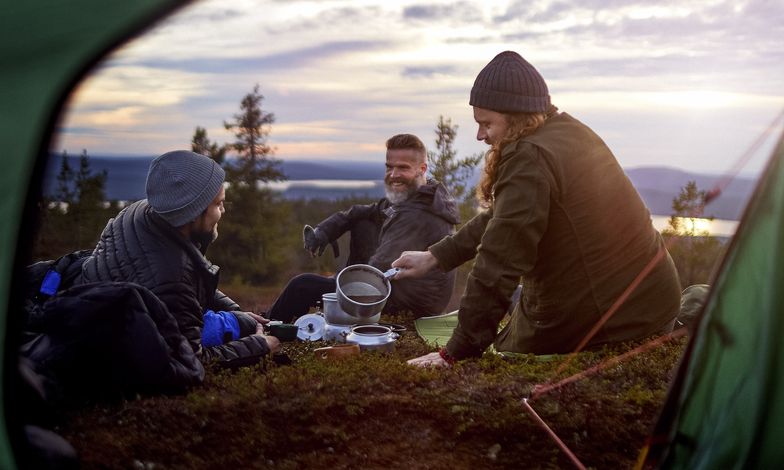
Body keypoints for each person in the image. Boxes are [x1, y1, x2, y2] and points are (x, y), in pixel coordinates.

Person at [393, 51, 682, 367]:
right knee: (519, 306)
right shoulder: (568, 131)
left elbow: (499, 260)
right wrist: (436, 257)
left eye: (486, 123)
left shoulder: (529, 158)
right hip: (652, 299)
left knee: (517, 335)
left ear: (515, 117)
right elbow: (505, 215)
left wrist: (456, 352)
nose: (480, 135)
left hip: (613, 321)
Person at [76, 150, 280, 366]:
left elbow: (190, 284)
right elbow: (190, 362)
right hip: (106, 351)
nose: (223, 211)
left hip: (90, 313)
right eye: (218, 204)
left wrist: (236, 312)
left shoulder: (144, 211)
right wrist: (259, 345)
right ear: (193, 212)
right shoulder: (172, 274)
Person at [267, 134, 460, 322]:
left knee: (302, 286)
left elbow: (377, 273)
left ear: (422, 169)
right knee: (363, 223)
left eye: (403, 168)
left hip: (410, 308)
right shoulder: (418, 194)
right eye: (389, 167)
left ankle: (267, 330)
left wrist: (335, 286)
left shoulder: (418, 215)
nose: (393, 175)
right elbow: (363, 212)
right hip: (399, 287)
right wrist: (325, 231)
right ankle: (336, 291)